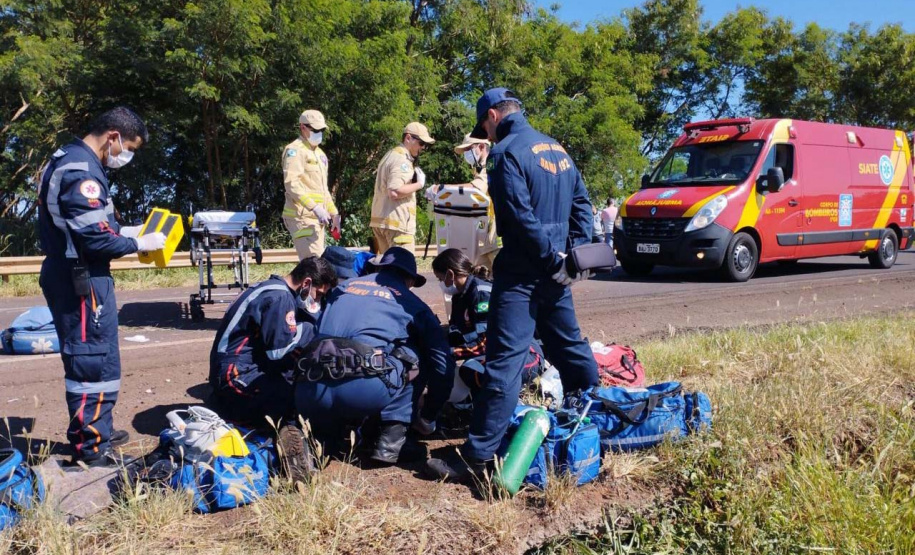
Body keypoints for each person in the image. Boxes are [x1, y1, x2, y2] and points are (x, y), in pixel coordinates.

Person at [426, 88, 600, 482]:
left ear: (493, 115)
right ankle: (596, 414)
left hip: (524, 272)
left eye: (484, 129)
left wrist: (548, 257)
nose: (485, 137)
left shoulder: (505, 154)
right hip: (555, 272)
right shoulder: (557, 149)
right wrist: (568, 258)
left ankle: (477, 456)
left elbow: (519, 217)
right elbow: (582, 207)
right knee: (567, 345)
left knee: (504, 361)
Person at [37, 107, 166, 468]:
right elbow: (93, 239)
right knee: (91, 359)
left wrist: (129, 232)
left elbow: (94, 225)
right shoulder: (82, 171)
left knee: (101, 357)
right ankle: (91, 448)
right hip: (80, 278)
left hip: (80, 274)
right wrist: (138, 244)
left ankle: (96, 430)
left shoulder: (71, 158)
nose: (126, 156)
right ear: (113, 137)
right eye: (129, 148)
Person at [294, 247, 454, 466]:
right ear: (409, 279)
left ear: (379, 268)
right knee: (416, 353)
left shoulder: (343, 287)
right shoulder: (410, 303)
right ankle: (391, 441)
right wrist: (429, 415)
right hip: (362, 390)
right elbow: (442, 362)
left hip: (310, 384)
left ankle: (320, 441)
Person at [209, 257, 338, 427]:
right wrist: (309, 330)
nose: (317, 300)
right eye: (318, 294)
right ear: (306, 283)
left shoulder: (271, 287)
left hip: (229, 370)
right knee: (301, 397)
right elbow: (278, 351)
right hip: (235, 376)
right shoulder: (280, 297)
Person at [431, 248, 542, 399]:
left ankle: (503, 406)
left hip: (524, 356)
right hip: (499, 356)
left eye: (440, 279)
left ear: (450, 274)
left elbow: (486, 343)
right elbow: (456, 335)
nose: (441, 285)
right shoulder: (460, 298)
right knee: (464, 370)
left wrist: (448, 353)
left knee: (473, 372)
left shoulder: (482, 293)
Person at [425, 135, 500, 271]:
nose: (466, 154)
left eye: (468, 149)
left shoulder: (490, 165)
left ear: (482, 147)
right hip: (487, 235)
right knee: (480, 275)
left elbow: (476, 187)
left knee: (500, 275)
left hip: (496, 233)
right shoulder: (480, 169)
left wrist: (441, 188)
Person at [282, 110, 340, 259]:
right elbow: (292, 183)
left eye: (321, 130)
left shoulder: (320, 154)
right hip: (301, 216)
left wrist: (334, 214)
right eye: (315, 130)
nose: (319, 133)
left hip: (317, 219)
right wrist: (314, 207)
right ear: (303, 127)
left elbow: (323, 189)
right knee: (313, 264)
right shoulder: (295, 150)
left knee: (314, 265)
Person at [370, 122, 435, 255]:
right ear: (408, 138)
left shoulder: (390, 155)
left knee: (388, 271)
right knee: (403, 271)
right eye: (421, 143)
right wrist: (419, 185)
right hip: (397, 225)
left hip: (382, 221)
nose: (423, 148)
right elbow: (394, 191)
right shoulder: (402, 160)